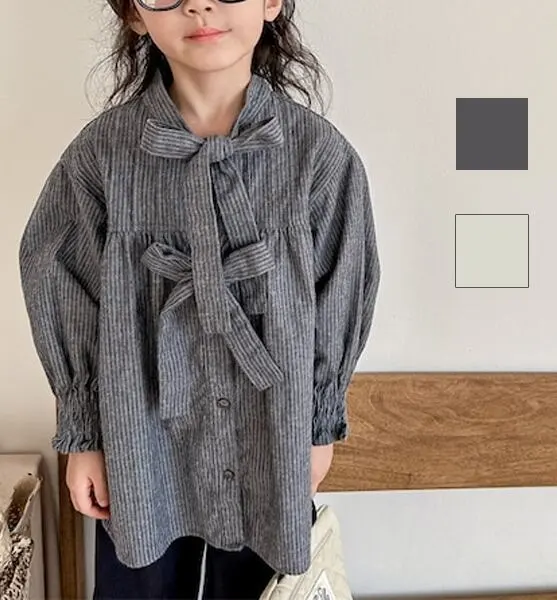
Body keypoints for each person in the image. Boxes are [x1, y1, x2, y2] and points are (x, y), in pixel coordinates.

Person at [18, 0, 380, 597]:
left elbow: (344, 286)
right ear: (135, 14)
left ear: (271, 2)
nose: (199, 4)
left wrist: (318, 425)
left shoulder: (319, 157)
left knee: (260, 588)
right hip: (142, 434)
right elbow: (60, 280)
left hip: (271, 431)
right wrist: (84, 432)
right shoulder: (102, 156)